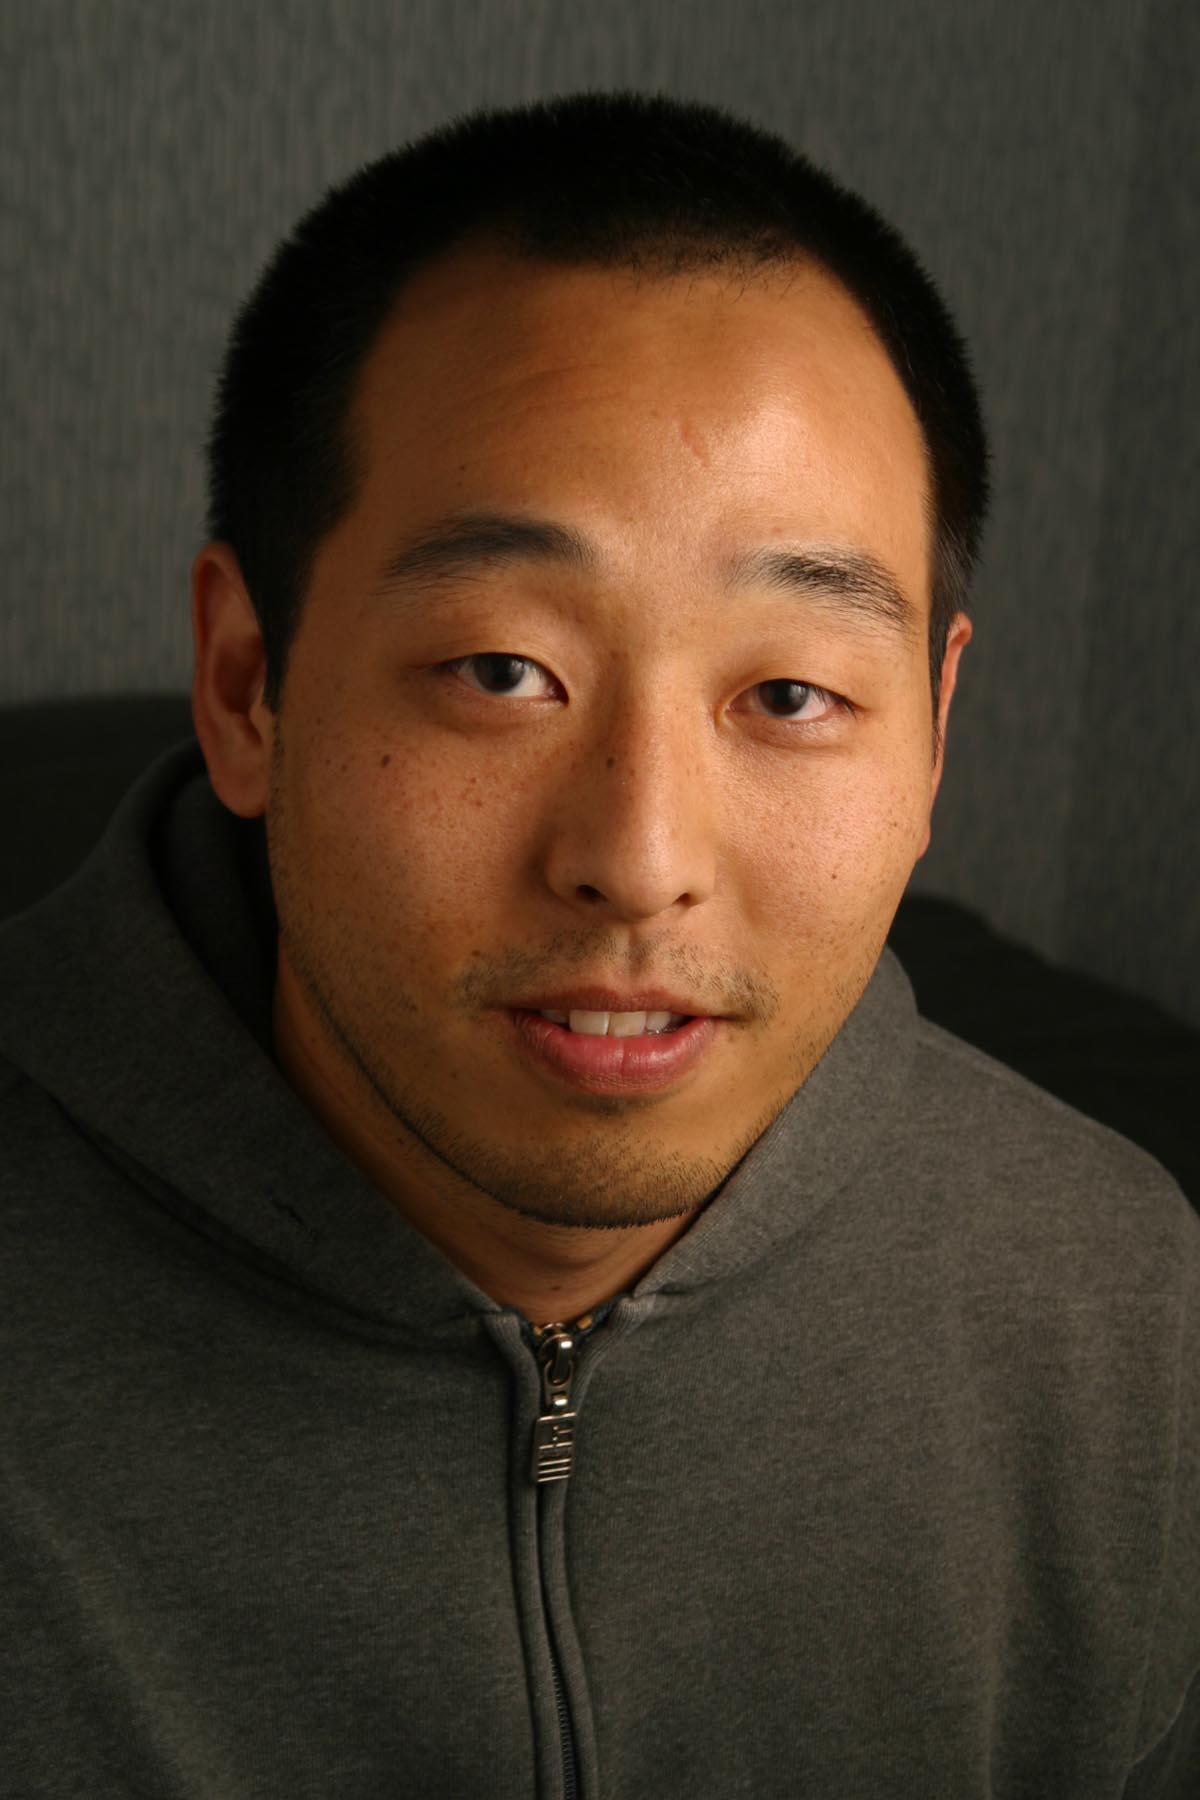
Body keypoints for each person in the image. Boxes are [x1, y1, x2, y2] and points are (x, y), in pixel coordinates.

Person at [1, 89, 1196, 1800]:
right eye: (503, 673)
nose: (639, 865)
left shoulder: (1121, 1314)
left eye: (792, 694)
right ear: (248, 685)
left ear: (934, 733)